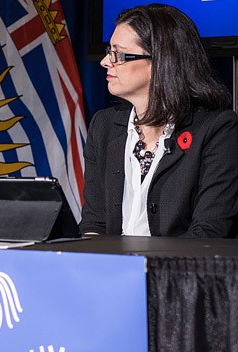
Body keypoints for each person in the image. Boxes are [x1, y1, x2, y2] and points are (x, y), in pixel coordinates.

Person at [79, 4, 238, 238]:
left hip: (179, 272)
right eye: (108, 50)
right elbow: (94, 223)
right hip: (114, 272)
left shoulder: (217, 129)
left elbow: (209, 231)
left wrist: (147, 272)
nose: (105, 61)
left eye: (118, 54)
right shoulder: (103, 126)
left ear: (161, 61)